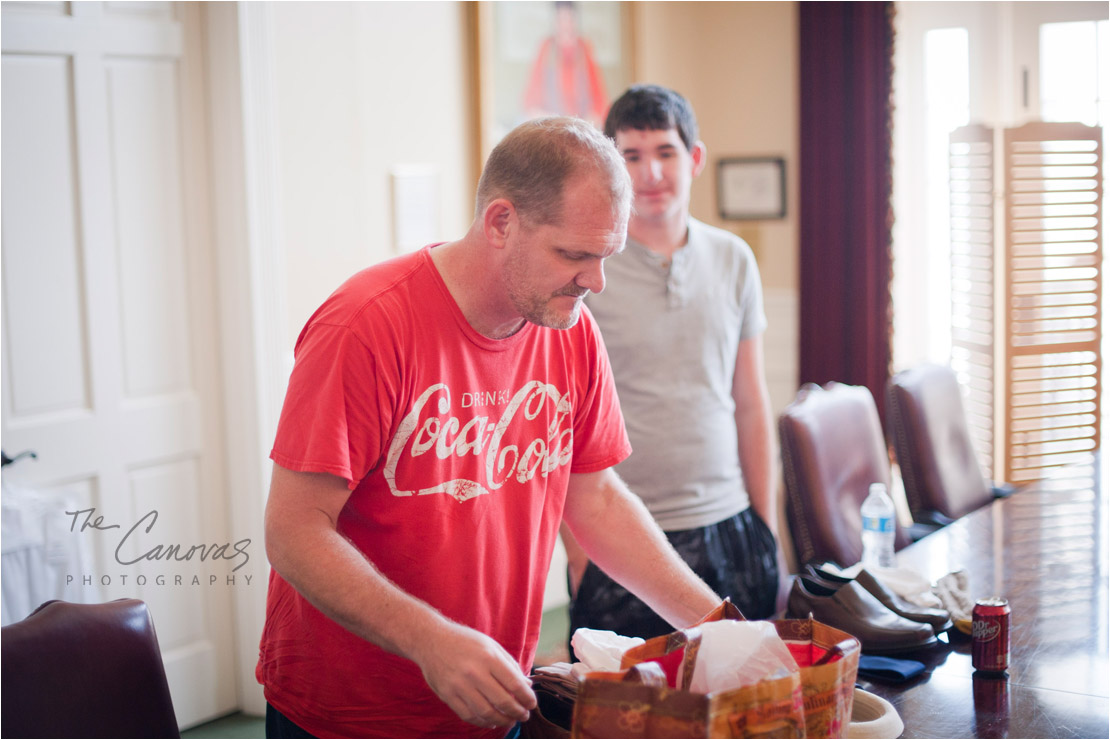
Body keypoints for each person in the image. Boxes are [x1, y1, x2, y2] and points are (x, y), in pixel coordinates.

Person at [257, 116, 721, 739]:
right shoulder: (366, 326)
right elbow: (294, 531)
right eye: (574, 254)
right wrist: (431, 641)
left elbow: (597, 499)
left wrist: (716, 627)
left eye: (606, 255)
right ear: (501, 223)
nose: (595, 282)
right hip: (352, 712)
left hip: (490, 700)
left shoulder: (570, 327)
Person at [562, 85, 786, 647]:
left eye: (665, 152)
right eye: (630, 157)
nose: (650, 174)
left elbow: (751, 402)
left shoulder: (735, 259)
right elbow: (558, 422)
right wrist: (577, 552)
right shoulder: (585, 273)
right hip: (625, 537)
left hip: (730, 527)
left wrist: (767, 530)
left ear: (695, 159)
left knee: (740, 715)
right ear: (610, 167)